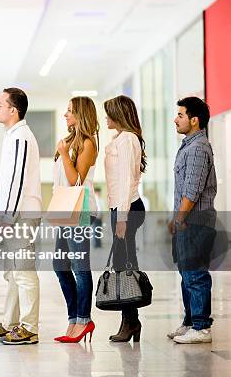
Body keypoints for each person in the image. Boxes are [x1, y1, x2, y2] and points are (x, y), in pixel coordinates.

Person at [0, 88, 42, 345]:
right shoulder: (12, 136)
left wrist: (8, 217)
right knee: (12, 273)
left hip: (21, 216)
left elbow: (18, 181)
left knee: (23, 272)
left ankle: (29, 328)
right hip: (12, 215)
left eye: (0, 104)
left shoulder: (21, 137)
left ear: (13, 110)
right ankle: (10, 323)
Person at [166, 97, 217, 344]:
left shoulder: (198, 148)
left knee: (195, 274)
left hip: (195, 221)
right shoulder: (189, 145)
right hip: (187, 220)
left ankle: (201, 326)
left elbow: (192, 190)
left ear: (194, 120)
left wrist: (180, 218)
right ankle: (190, 323)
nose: (176, 119)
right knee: (187, 273)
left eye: (181, 115)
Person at [52, 96, 99, 343]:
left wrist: (63, 153)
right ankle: (74, 318)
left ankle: (84, 319)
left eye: (70, 111)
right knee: (59, 265)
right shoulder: (71, 141)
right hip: (64, 208)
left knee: (80, 268)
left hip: (79, 210)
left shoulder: (88, 143)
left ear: (81, 115)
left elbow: (75, 181)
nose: (65, 115)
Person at [103, 95, 147, 342]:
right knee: (124, 265)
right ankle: (130, 323)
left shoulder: (127, 140)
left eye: (109, 112)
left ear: (119, 114)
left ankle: (130, 323)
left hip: (127, 209)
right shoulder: (121, 139)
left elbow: (125, 181)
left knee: (125, 266)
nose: (106, 117)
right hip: (121, 208)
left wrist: (121, 218)